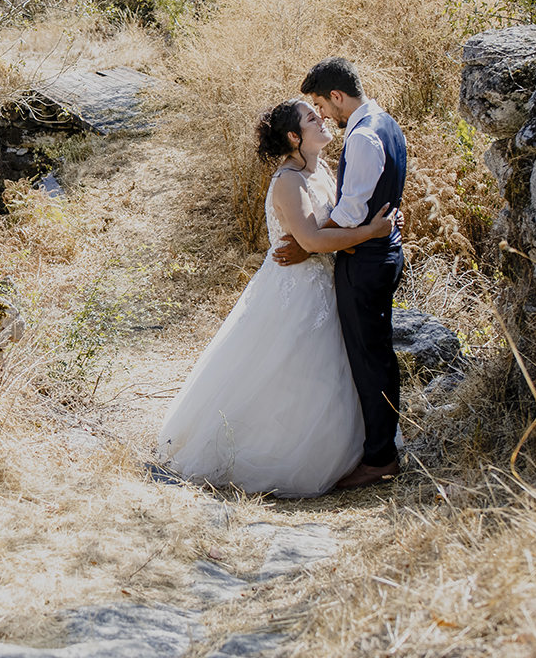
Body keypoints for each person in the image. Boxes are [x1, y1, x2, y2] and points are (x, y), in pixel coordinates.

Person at [156, 99, 396, 497]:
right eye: (311, 118)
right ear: (293, 136)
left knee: (325, 373)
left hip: (324, 284)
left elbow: (334, 226)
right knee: (284, 368)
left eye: (318, 115)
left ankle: (341, 452)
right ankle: (273, 456)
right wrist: (372, 233)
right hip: (294, 289)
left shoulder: (322, 169)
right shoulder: (287, 180)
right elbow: (313, 239)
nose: (321, 121)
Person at [274, 57, 407, 491]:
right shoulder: (387, 123)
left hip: (366, 261)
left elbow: (350, 215)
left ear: (336, 96)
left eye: (321, 105)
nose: (323, 115)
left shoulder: (364, 137)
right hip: (377, 252)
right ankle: (376, 446)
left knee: (370, 362)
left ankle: (380, 458)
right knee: (374, 356)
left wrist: (307, 241)